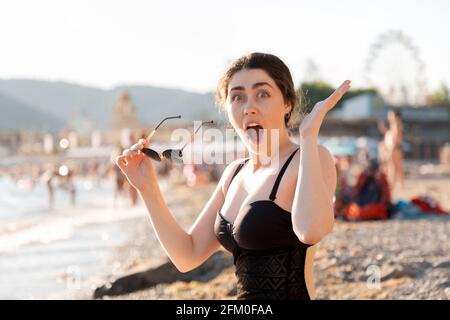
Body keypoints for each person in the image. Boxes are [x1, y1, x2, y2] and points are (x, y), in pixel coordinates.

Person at [116, 53, 350, 300]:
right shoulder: (234, 173)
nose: (249, 107)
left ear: (287, 103)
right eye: (237, 97)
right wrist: (148, 189)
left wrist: (308, 137)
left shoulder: (309, 157)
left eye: (263, 94)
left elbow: (311, 231)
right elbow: (187, 255)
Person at [378, 111, 405, 190]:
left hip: (394, 149)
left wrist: (389, 151)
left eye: (391, 115)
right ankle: (400, 184)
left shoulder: (396, 125)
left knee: (393, 167)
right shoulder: (394, 125)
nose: (389, 117)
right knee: (397, 167)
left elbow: (395, 139)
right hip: (394, 149)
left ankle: (392, 184)